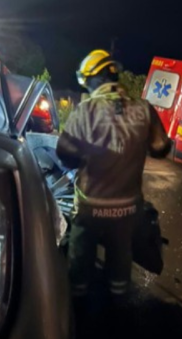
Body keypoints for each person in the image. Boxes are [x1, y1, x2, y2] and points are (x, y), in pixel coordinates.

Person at [56, 49, 171, 300]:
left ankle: (77, 302)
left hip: (90, 206)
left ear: (95, 79)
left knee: (80, 256)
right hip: (128, 209)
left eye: (87, 82)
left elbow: (65, 154)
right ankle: (118, 302)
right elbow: (161, 148)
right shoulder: (144, 108)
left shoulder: (85, 110)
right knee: (121, 256)